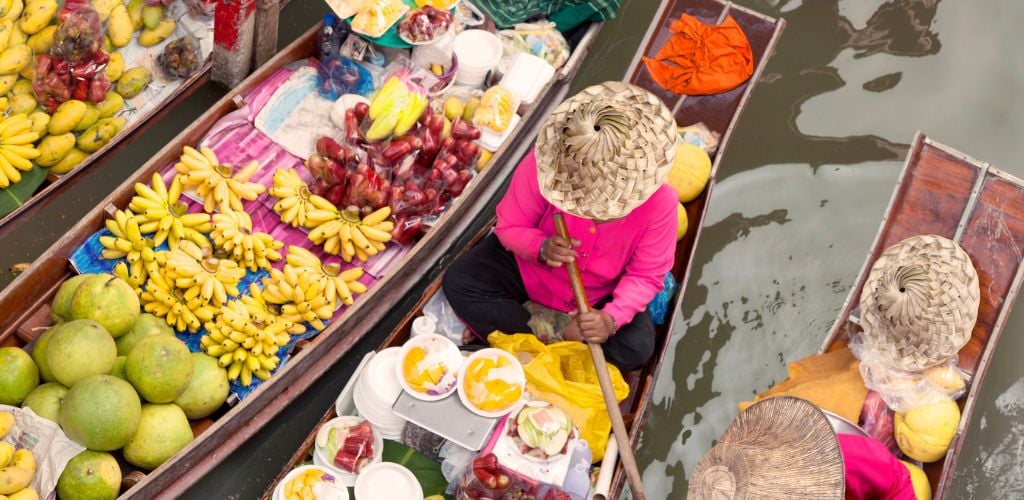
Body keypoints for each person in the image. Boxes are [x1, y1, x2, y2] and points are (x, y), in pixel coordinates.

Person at [442, 81, 679, 370]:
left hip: (598, 297)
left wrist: (610, 319)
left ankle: (532, 333)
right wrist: (539, 247)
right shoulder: (546, 165)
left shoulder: (662, 203)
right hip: (530, 274)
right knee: (460, 282)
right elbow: (509, 227)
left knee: (636, 348)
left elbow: (646, 275)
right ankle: (560, 334)